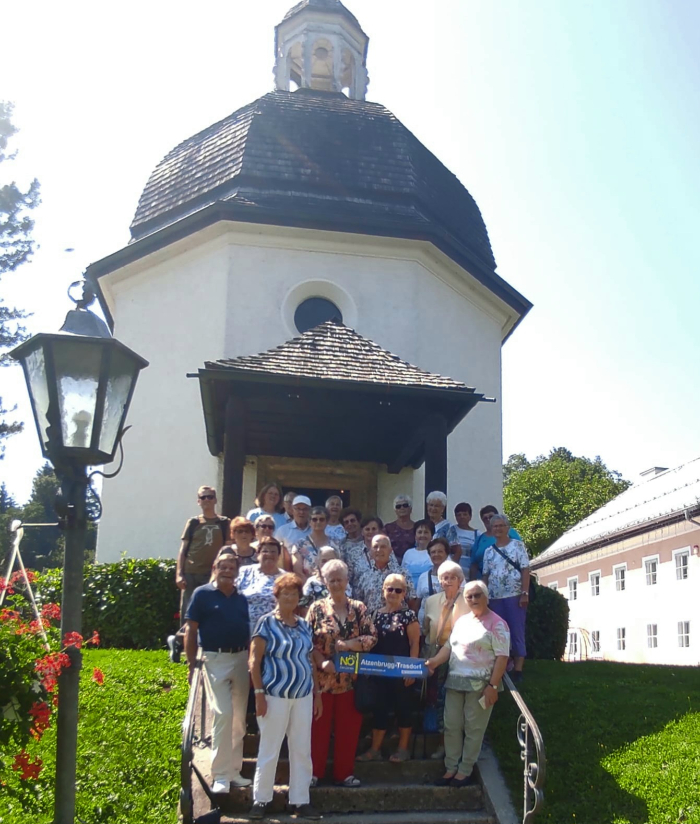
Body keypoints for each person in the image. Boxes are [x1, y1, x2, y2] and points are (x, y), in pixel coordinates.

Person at [248, 573, 322, 820]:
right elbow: (254, 661)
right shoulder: (265, 623)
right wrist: (259, 694)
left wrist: (317, 693)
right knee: (269, 748)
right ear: (276, 596)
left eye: (294, 593)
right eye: (285, 593)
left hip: (303, 695)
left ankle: (300, 800)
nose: (290, 597)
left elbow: (310, 660)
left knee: (301, 749)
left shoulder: (304, 625)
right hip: (274, 695)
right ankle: (260, 800)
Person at [426, 580, 509, 787]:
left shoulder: (497, 623)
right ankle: (450, 768)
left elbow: (502, 657)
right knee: (451, 726)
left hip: (481, 685)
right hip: (455, 681)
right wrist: (434, 662)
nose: (473, 599)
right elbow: (448, 647)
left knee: (474, 729)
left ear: (486, 596)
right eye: (469, 596)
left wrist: (493, 686)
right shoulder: (462, 621)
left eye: (477, 595)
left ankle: (465, 770)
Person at [184, 553, 251, 793]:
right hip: (214, 658)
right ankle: (219, 775)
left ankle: (234, 771)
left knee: (239, 719)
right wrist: (192, 664)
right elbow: (191, 631)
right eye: (222, 567)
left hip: (241, 658)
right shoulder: (202, 594)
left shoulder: (242, 598)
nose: (227, 571)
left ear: (237, 571)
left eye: (231, 567)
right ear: (215, 567)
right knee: (222, 714)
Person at [308, 560, 377, 787]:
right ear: (325, 582)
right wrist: (321, 662)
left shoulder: (359, 608)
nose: (336, 583)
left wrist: (348, 645)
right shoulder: (316, 608)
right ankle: (314, 772)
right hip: (322, 681)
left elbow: (371, 638)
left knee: (348, 729)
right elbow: (306, 643)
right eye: (332, 580)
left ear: (347, 581)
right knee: (317, 729)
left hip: (351, 680)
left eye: (340, 579)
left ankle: (344, 773)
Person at [356, 573, 420, 763]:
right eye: (389, 588)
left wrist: (411, 669)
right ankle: (374, 750)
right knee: (379, 709)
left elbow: (414, 643)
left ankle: (403, 749)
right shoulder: (374, 614)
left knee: (403, 709)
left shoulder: (409, 615)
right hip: (378, 672)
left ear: (404, 593)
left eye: (397, 589)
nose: (393, 592)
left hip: (401, 672)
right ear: (383, 590)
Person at [170, 486, 230, 662]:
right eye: (203, 497)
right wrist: (179, 574)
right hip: (192, 573)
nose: (207, 500)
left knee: (212, 610)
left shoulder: (224, 522)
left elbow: (227, 548)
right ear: (198, 501)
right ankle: (180, 643)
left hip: (212, 574)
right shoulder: (193, 522)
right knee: (189, 611)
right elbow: (183, 550)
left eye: (210, 497)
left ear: (215, 500)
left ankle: (206, 645)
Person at [422, 559, 465, 761]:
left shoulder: (468, 600)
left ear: (460, 580)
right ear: (439, 580)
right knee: (437, 701)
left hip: (459, 659)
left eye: (452, 577)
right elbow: (425, 629)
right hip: (435, 657)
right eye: (444, 577)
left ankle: (453, 745)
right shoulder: (431, 601)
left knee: (453, 702)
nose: (448, 581)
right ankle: (441, 743)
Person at [481, 514, 530, 683]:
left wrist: (524, 593)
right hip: (495, 597)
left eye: (501, 526)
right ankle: (501, 666)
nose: (498, 529)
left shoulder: (517, 546)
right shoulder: (488, 552)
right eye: (495, 526)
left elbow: (525, 569)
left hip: (514, 595)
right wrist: (484, 596)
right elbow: (485, 575)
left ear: (508, 528)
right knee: (497, 631)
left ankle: (518, 669)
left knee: (516, 630)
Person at [352, 533, 417, 614]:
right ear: (371, 552)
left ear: (390, 550)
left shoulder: (402, 574)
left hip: (398, 623)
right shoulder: (364, 577)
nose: (379, 550)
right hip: (372, 624)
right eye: (375, 547)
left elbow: (412, 601)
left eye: (383, 547)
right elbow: (359, 604)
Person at [236, 537, 284, 635]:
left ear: (279, 555)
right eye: (265, 551)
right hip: (244, 628)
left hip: (274, 630)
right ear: (258, 554)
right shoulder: (245, 572)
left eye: (273, 552)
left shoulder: (285, 578)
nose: (269, 554)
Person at [470, 505, 522, 580]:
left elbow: (520, 555)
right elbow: (474, 565)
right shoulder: (479, 540)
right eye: (485, 518)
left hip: (511, 579)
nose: (488, 520)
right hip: (486, 581)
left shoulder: (510, 532)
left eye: (491, 517)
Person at [292, 506, 340, 582]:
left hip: (332, 586)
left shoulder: (336, 544)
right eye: (314, 519)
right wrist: (311, 586)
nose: (318, 522)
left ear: (327, 522)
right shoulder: (300, 544)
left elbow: (340, 568)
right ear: (310, 522)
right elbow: (298, 571)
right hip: (308, 587)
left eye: (321, 519)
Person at [416, 537, 449, 624]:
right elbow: (417, 603)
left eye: (440, 551)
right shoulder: (423, 577)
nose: (436, 554)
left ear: (446, 554)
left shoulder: (455, 576)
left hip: (445, 624)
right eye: (433, 552)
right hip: (424, 625)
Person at [426, 491, 461, 560]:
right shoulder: (423, 525)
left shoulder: (448, 527)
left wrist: (451, 567)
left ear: (442, 509)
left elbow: (457, 551)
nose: (433, 508)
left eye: (436, 506)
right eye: (431, 505)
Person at [401, 521, 436, 589]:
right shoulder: (408, 553)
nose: (422, 535)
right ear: (415, 536)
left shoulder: (436, 553)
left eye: (426, 532)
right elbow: (402, 574)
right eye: (419, 532)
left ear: (432, 536)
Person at [383, 495, 415, 562]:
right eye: (398, 506)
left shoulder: (417, 528)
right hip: (393, 563)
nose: (402, 508)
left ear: (411, 508)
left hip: (413, 562)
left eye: (405, 505)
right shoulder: (388, 528)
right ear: (395, 510)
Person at [339, 508, 364, 587]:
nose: (349, 524)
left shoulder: (369, 541)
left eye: (352, 520)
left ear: (359, 521)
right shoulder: (342, 545)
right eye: (346, 522)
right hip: (351, 585)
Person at [453, 503, 480, 578]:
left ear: (470, 516)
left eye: (465, 514)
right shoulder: (451, 531)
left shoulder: (477, 534)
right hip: (454, 568)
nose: (462, 517)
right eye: (459, 515)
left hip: (470, 569)